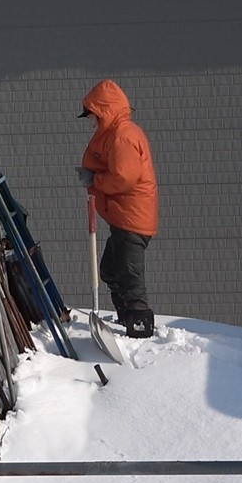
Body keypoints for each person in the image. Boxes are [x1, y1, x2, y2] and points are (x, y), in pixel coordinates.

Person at [77, 79, 159, 338]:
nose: (92, 122)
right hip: (124, 218)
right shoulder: (116, 134)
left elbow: (124, 177)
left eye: (93, 116)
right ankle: (126, 317)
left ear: (104, 112)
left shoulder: (123, 135)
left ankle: (139, 328)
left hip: (132, 218)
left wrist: (95, 180)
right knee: (111, 271)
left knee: (130, 277)